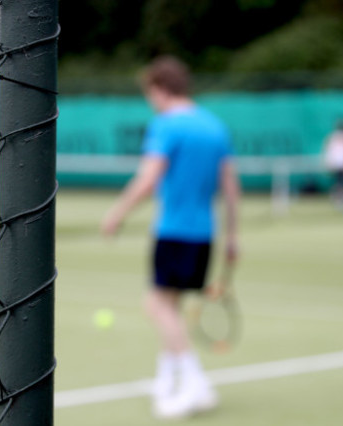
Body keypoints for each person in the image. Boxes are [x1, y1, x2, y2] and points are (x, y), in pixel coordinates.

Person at [101, 55, 240, 419]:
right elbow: (230, 187)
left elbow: (148, 179)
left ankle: (195, 384)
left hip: (174, 231)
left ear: (160, 89)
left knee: (157, 306)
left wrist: (116, 215)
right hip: (205, 234)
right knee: (171, 306)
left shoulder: (166, 126)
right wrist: (233, 237)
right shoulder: (215, 127)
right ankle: (167, 379)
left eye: (150, 93)